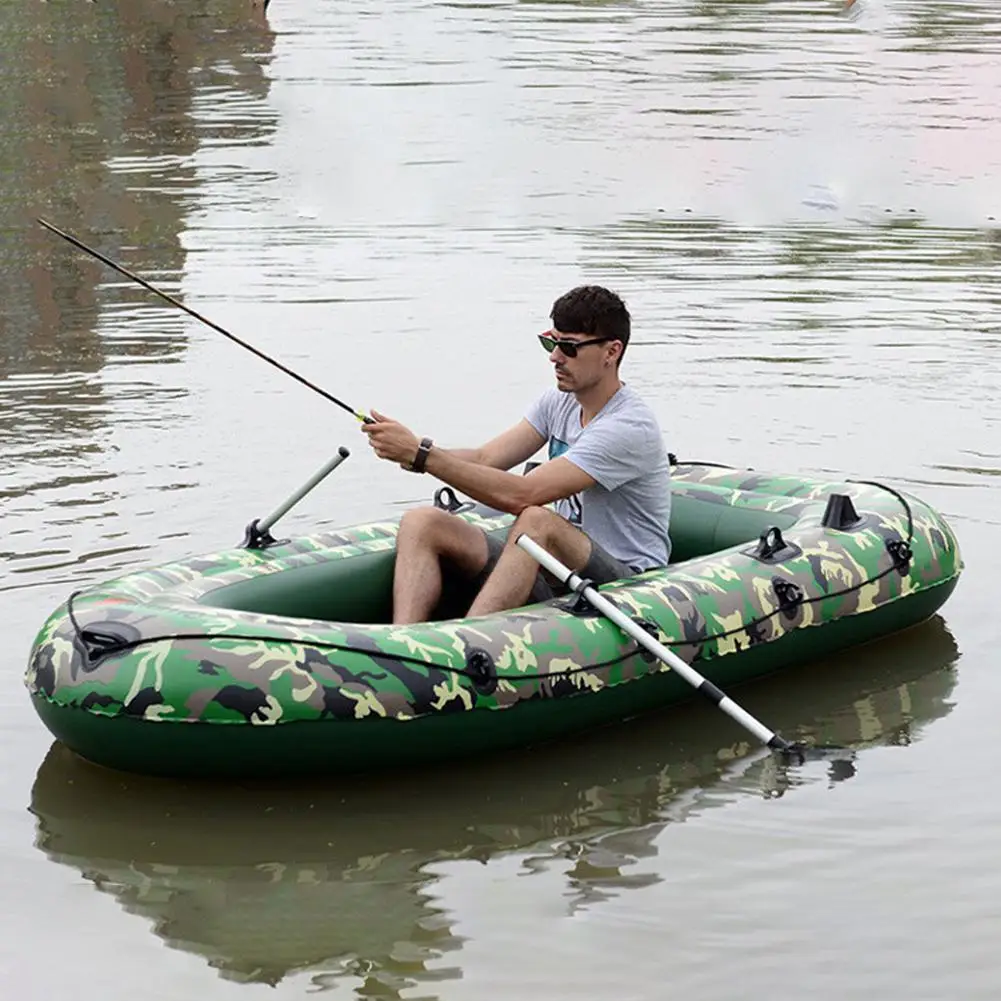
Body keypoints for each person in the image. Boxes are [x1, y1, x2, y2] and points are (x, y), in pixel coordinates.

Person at [361, 284, 672, 623]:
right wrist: (414, 449)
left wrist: (423, 456)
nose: (555, 357)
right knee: (422, 521)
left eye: (568, 347)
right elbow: (485, 459)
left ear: (611, 352)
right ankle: (404, 639)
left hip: (627, 584)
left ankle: (466, 641)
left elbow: (523, 495)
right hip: (557, 570)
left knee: (537, 521)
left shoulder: (628, 427)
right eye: (551, 342)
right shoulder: (558, 402)